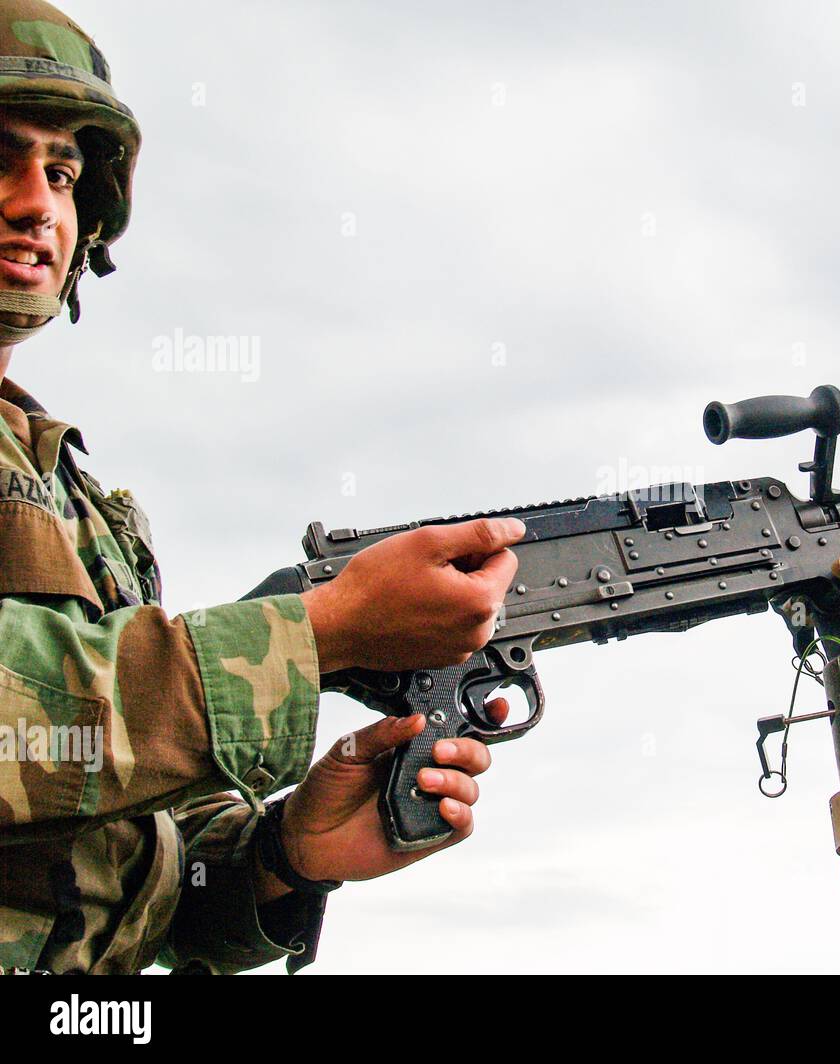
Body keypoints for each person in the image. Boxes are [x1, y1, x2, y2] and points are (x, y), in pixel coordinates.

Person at [0, 0, 524, 973]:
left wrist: (283, 854)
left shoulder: (69, 489)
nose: (39, 201)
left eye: (65, 172)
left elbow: (112, 857)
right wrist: (319, 634)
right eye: (3, 156)